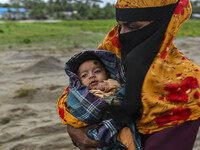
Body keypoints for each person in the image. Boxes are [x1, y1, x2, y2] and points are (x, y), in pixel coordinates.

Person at [59, 0, 200, 149]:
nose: (122, 35)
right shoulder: (114, 47)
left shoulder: (185, 82)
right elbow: (77, 87)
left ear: (165, 25)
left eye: (133, 27)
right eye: (121, 25)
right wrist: (73, 126)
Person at [57, 50, 141, 150]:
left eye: (97, 71)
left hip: (118, 123)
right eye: (84, 75)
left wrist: (107, 86)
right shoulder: (83, 95)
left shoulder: (111, 83)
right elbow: (78, 112)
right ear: (79, 82)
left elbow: (121, 92)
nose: (91, 75)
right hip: (97, 129)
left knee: (127, 136)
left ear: (106, 73)